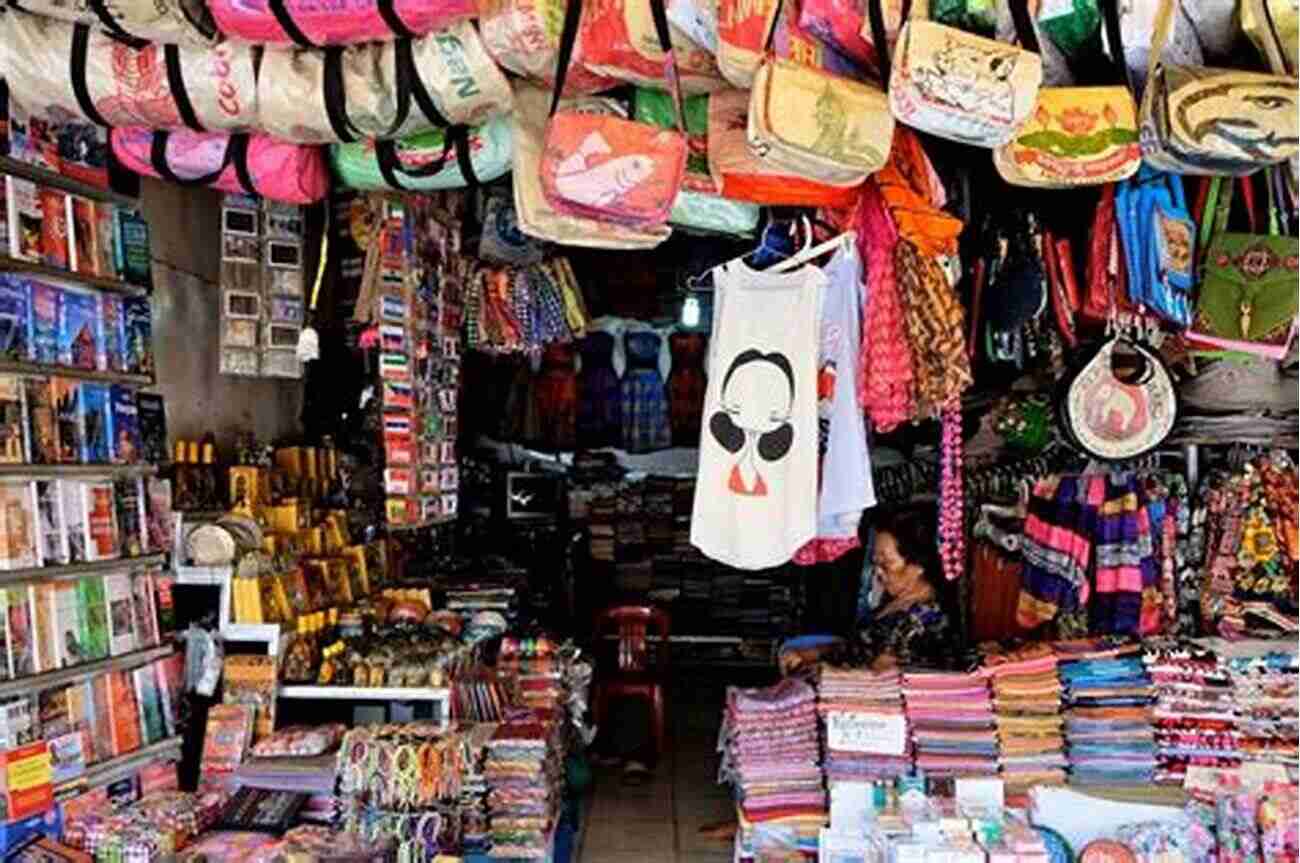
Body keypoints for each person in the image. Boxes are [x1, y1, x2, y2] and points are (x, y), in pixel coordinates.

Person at [860, 509, 952, 671]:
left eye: (886, 564)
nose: (878, 572)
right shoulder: (896, 601)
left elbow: (883, 670)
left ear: (918, 565)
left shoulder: (927, 616)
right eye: (876, 563)